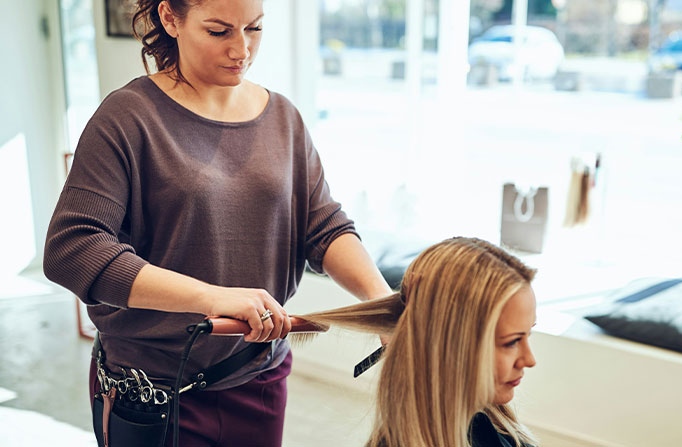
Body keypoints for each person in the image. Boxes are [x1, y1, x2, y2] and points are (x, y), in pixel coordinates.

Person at [43, 0, 392, 446]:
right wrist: (212, 298)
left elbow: (323, 226)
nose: (241, 49)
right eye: (219, 31)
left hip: (258, 379)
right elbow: (73, 249)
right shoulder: (128, 118)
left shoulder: (283, 119)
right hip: (151, 392)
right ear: (170, 18)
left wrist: (383, 306)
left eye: (254, 28)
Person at [294, 237, 539, 447]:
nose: (530, 360)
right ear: (448, 343)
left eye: (528, 335)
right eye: (511, 342)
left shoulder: (499, 431)